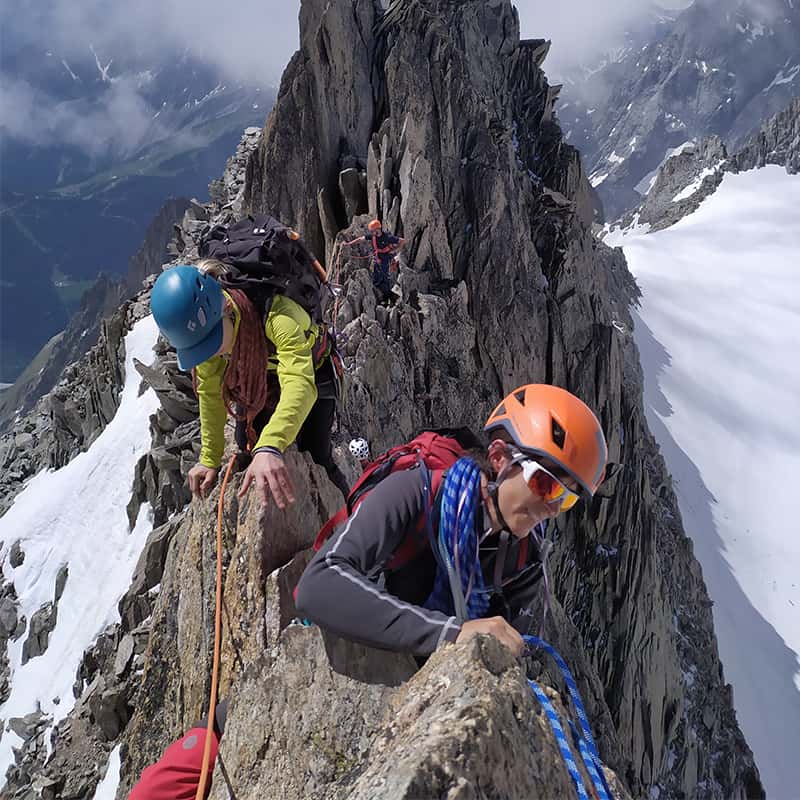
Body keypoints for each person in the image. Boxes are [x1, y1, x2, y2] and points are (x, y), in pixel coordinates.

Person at [295, 384, 608, 657]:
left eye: (566, 499)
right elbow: (318, 585)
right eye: (546, 484)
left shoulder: (524, 563)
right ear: (499, 457)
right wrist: (451, 633)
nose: (552, 508)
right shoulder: (417, 494)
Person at [150, 262, 350, 508]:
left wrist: (270, 444)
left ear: (225, 307)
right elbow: (211, 394)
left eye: (211, 343)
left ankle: (353, 513)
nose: (209, 353)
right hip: (261, 375)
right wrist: (209, 459)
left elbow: (300, 383)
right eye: (200, 349)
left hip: (313, 372)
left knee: (317, 453)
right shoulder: (207, 330)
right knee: (245, 442)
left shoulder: (278, 316)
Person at [346, 219, 404, 304]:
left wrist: (395, 250)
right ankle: (385, 295)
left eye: (373, 231)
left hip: (385, 259)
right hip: (378, 259)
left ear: (378, 229)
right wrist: (349, 244)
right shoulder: (373, 236)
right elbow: (361, 239)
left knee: (384, 278)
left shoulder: (387, 237)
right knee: (376, 279)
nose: (372, 233)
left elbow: (402, 241)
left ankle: (388, 297)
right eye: (372, 231)